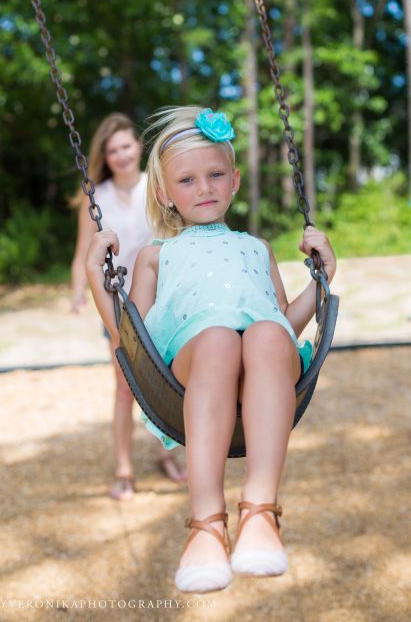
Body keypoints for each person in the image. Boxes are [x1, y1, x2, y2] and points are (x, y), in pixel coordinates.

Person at [85, 106, 336, 592]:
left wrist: (321, 282)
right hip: (194, 367)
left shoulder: (256, 248)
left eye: (216, 174)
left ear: (235, 180)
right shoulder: (155, 255)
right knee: (220, 338)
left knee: (266, 333)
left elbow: (283, 321)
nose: (204, 188)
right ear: (163, 192)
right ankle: (206, 523)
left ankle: (260, 511)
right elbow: (130, 338)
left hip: (265, 361)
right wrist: (99, 276)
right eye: (187, 180)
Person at [71, 113, 186, 501]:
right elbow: (83, 251)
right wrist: (78, 292)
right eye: (112, 149)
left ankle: (164, 454)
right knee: (124, 387)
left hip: (161, 295)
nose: (120, 154)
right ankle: (124, 469)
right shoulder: (96, 195)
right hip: (118, 299)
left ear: (139, 147)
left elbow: (178, 235)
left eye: (126, 146)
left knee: (167, 383)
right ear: (105, 156)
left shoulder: (156, 187)